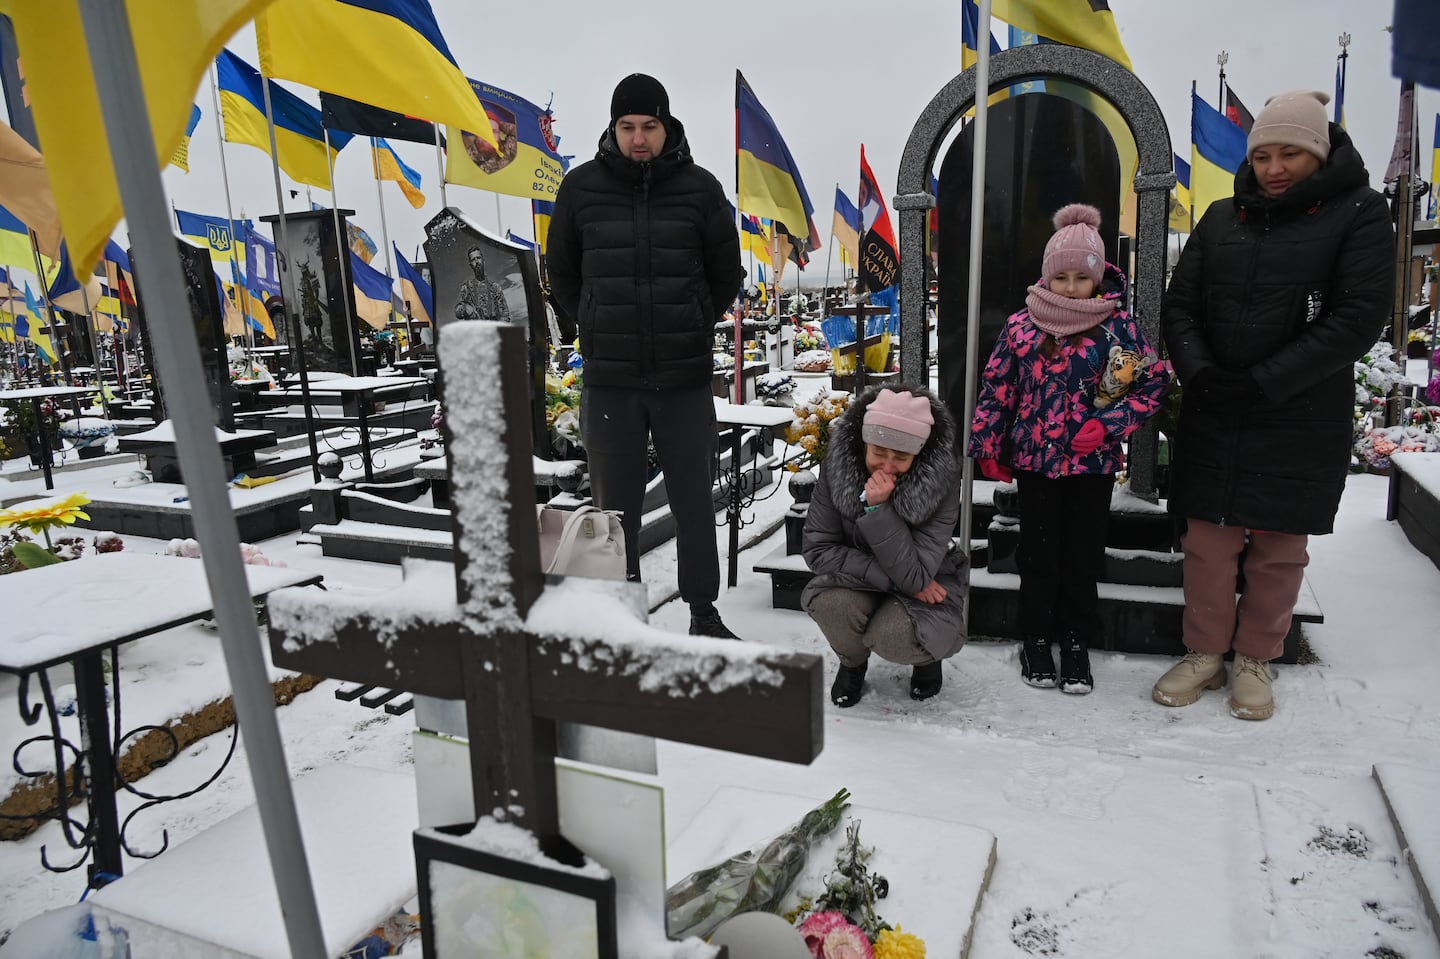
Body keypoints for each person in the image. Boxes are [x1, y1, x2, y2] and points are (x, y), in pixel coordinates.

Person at [1155, 90, 1392, 720]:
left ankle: (1257, 655)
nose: (1275, 167)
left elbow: (1355, 319)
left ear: (1319, 152)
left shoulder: (1360, 214)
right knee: (1208, 539)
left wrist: (1263, 381)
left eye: (1291, 153)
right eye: (1263, 154)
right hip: (1215, 404)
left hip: (1299, 411)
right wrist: (1200, 371)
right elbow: (1180, 305)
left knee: (1279, 546)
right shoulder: (1220, 216)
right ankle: (1204, 651)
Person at [546, 73, 743, 638]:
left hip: (682, 379)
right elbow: (560, 269)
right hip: (611, 379)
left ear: (666, 126)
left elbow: (724, 270)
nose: (639, 138)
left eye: (649, 126)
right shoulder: (580, 188)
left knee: (693, 503)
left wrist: (695, 315)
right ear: (613, 128)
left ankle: (702, 612)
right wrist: (590, 319)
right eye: (628, 126)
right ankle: (621, 616)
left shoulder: (700, 188)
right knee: (615, 513)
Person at [968, 204, 1170, 694]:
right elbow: (999, 388)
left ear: (1099, 279)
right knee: (1038, 553)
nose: (1072, 286)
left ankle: (1076, 638)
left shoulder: (1116, 328)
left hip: (1091, 466)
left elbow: (1148, 384)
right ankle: (1035, 635)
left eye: (1083, 277)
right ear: (1047, 275)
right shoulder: (1022, 326)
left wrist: (1107, 425)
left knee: (1081, 554)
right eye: (1063, 276)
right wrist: (988, 444)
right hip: (1036, 463)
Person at [802, 384, 968, 707]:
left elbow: (918, 576)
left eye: (901, 457)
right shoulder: (839, 468)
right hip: (858, 580)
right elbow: (817, 549)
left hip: (927, 581)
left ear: (917, 455)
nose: (887, 466)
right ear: (864, 442)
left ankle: (926, 659)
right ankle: (852, 661)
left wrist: (879, 511)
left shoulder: (940, 481)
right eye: (878, 453)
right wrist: (886, 578)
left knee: (892, 634)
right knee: (832, 605)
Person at [454, 247, 510, 323]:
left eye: (478, 258)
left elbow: (505, 315)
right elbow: (458, 313)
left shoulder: (495, 288)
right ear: (470, 265)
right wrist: (465, 308)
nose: (476, 261)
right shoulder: (466, 288)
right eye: (473, 260)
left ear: (483, 261)